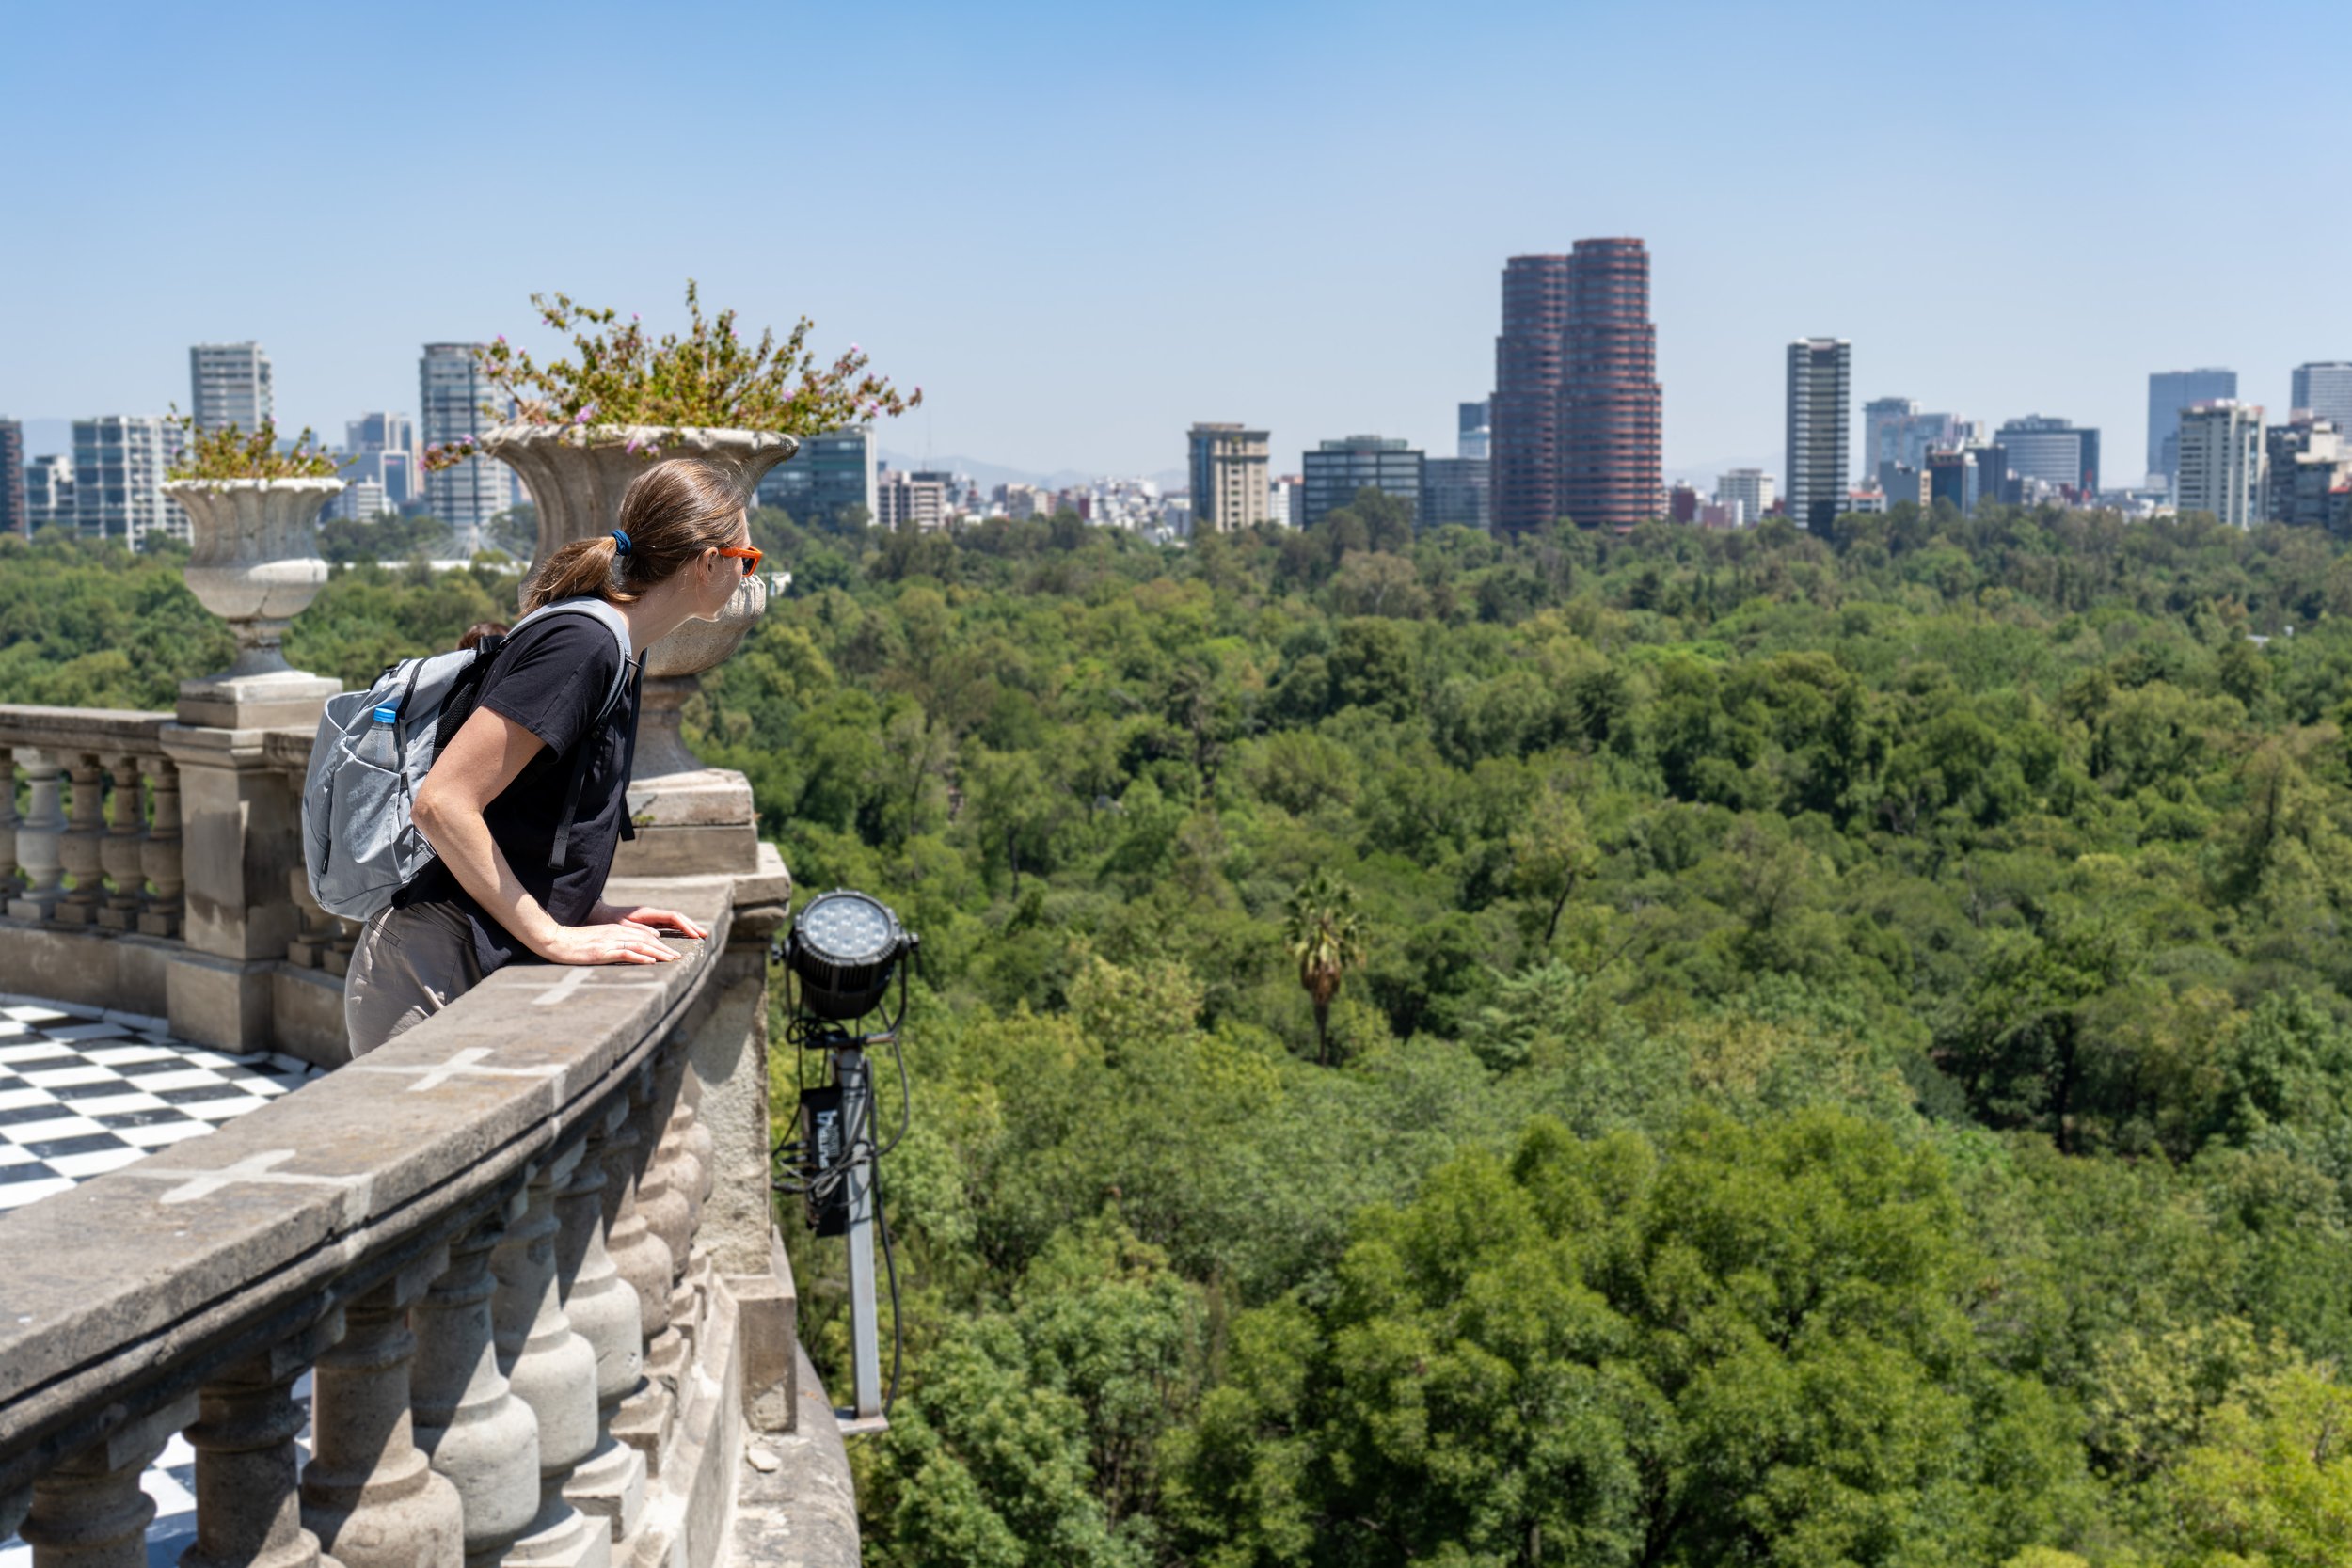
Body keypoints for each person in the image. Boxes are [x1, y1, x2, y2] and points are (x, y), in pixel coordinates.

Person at [343, 457, 765, 1054]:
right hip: (433, 966)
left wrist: (587, 908)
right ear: (706, 563)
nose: (750, 576)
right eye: (747, 561)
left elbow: (536, 807)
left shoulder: (621, 646)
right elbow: (442, 804)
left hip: (467, 950)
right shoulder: (584, 645)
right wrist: (554, 935)